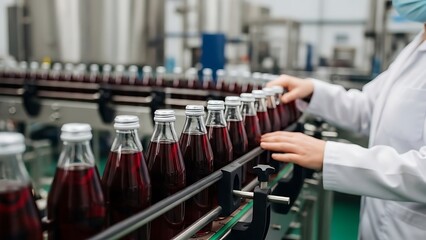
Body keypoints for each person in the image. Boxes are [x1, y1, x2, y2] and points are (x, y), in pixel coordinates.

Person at [260, 1, 426, 239]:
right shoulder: (417, 44)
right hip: (381, 220)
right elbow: (370, 108)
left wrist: (331, 157)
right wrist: (313, 91)